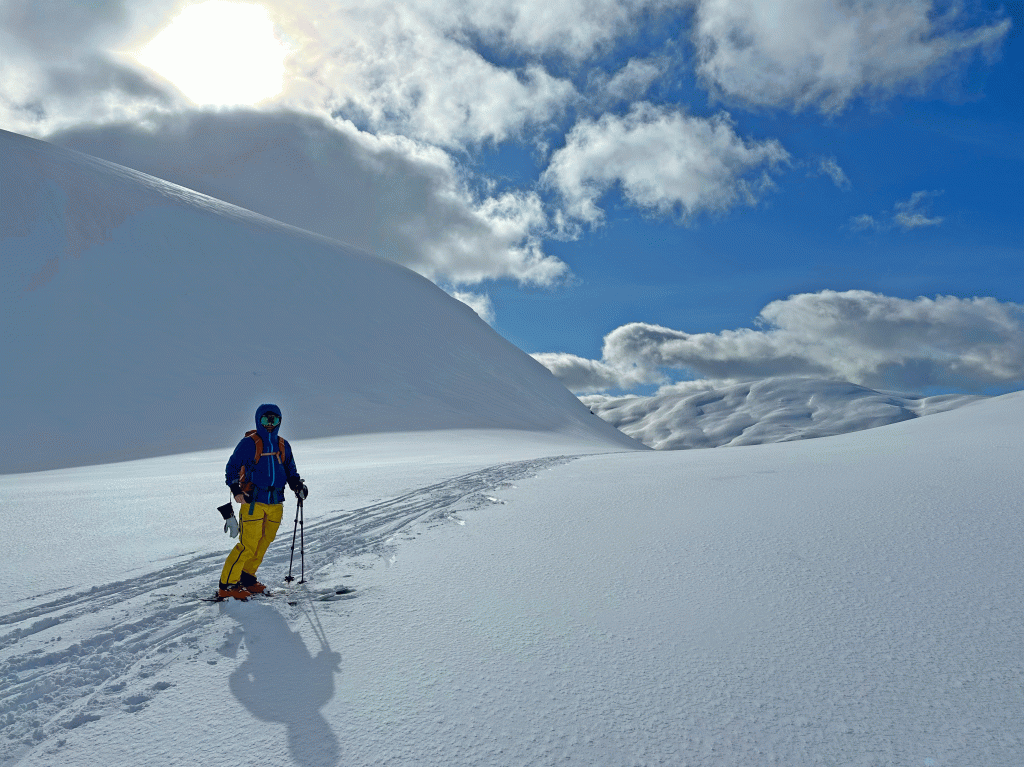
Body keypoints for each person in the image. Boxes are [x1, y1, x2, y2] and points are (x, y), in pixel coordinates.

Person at [218, 403, 308, 600]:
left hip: (276, 501)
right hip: (253, 501)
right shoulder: (249, 443)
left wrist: (297, 485)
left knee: (264, 541)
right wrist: (236, 490)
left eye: (274, 419)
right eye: (266, 419)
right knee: (248, 544)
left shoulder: (283, 445)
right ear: (258, 420)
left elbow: (291, 470)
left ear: (280, 421)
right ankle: (228, 584)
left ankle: (247, 578)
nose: (269, 424)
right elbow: (232, 467)